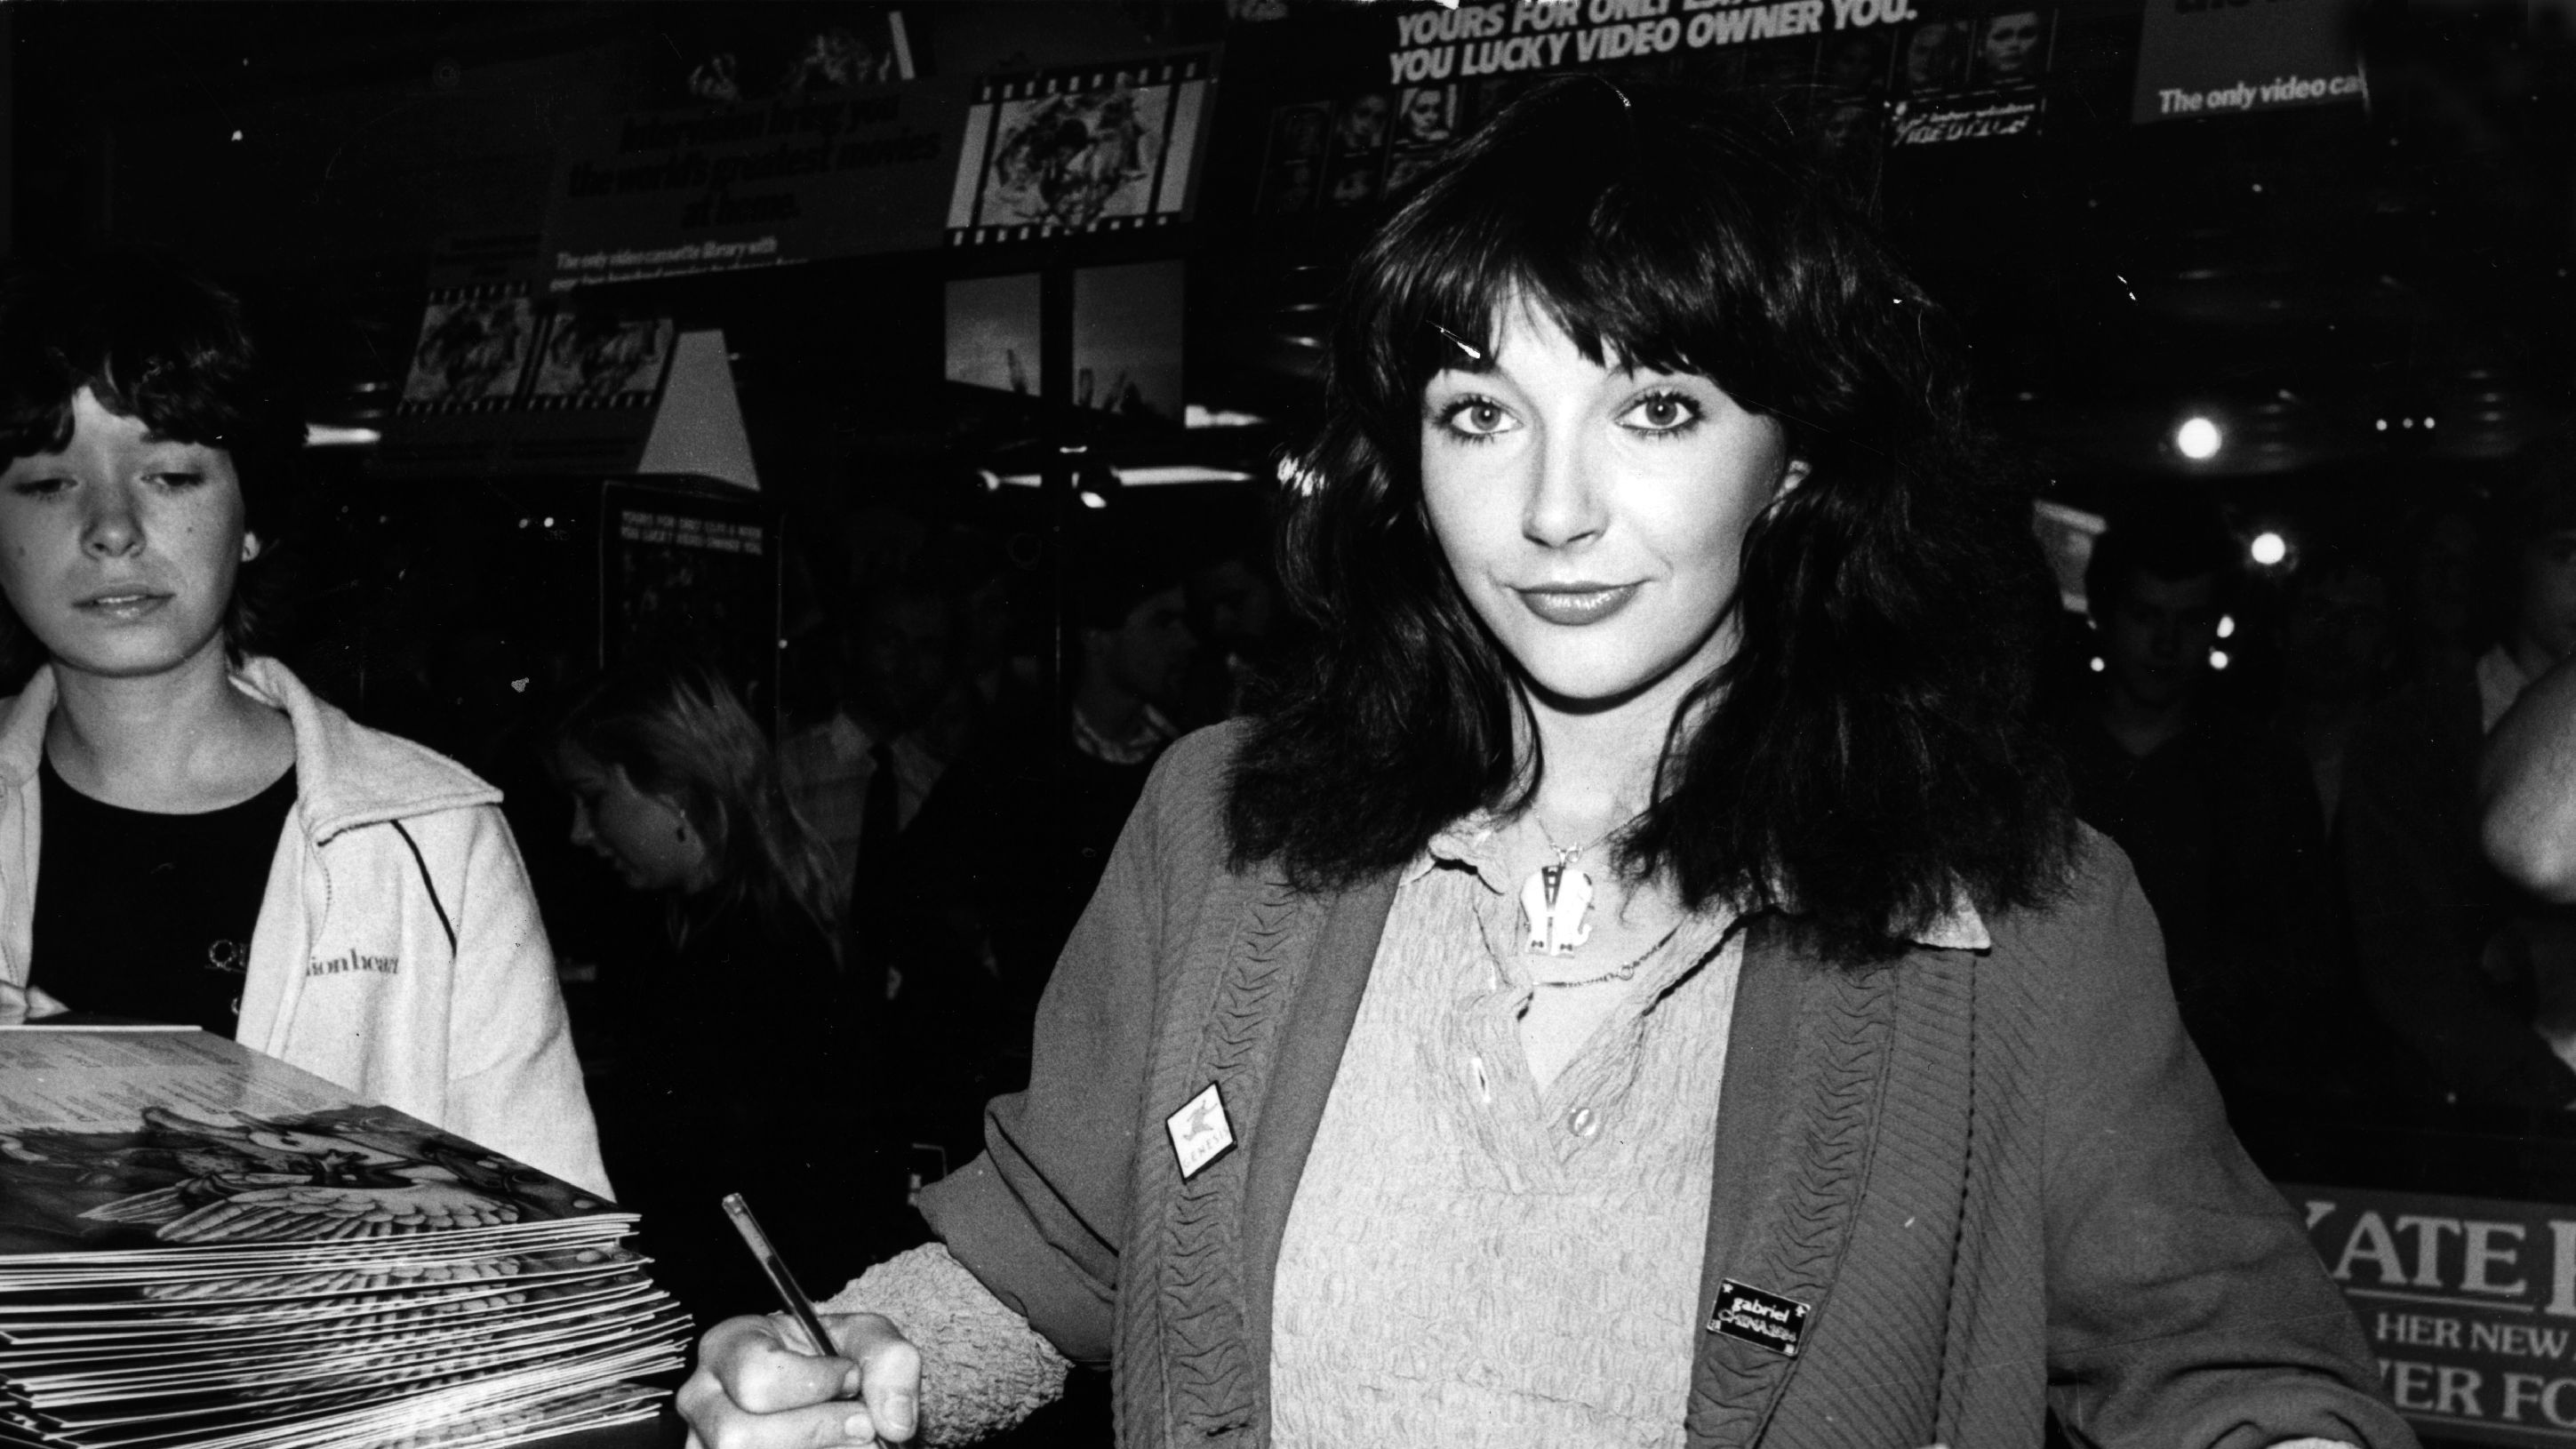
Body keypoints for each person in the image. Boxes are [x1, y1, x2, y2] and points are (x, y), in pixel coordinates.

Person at [680, 78, 2405, 1449]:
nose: (1554, 508)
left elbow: (2223, 1359)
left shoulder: (2011, 913)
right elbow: (1058, 1249)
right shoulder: (1226, 829)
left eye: (1654, 409)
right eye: (1479, 412)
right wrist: (862, 1357)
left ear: (1796, 455)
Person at [0, 251, 607, 1198]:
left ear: (251, 515)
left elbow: (545, 1257)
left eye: (168, 474)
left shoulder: (425, 837)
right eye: (46, 483)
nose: (110, 528)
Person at [551, 656, 894, 1322]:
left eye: (592, 798)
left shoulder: (754, 955)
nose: (579, 831)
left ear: (673, 785)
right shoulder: (710, 923)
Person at [2052, 503, 2344, 1099]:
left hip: (2210, 1089)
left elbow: (2304, 956)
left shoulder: (2261, 768)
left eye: (2189, 619)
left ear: (2215, 625)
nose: (2165, 641)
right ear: (2104, 615)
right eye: (2145, 615)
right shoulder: (2039, 756)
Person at [2348, 439, 2576, 1107]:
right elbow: (2410, 969)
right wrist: (2547, 1097)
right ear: (2516, 564)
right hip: (2483, 1137)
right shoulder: (2414, 735)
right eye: (2570, 554)